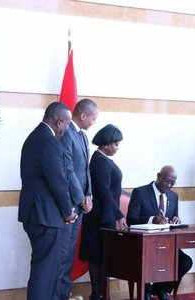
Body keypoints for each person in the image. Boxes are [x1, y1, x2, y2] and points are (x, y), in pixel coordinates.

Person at [18, 102, 77, 300]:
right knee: (46, 273)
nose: (68, 129)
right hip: (47, 216)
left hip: (34, 213)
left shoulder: (33, 137)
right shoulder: (50, 142)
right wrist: (68, 211)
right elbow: (58, 181)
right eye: (68, 124)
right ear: (59, 122)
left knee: (42, 270)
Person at [127, 166, 193, 300]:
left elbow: (173, 221)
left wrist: (176, 220)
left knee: (186, 262)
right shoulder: (140, 192)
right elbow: (131, 220)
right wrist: (152, 219)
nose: (169, 185)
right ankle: (146, 290)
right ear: (158, 176)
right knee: (149, 261)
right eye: (166, 181)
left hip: (167, 244)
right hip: (145, 245)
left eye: (172, 183)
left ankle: (162, 289)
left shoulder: (173, 196)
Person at [80, 124, 127, 300]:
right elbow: (103, 191)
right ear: (106, 143)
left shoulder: (103, 159)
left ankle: (100, 293)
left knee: (102, 257)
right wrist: (119, 214)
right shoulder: (99, 160)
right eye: (116, 144)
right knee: (96, 256)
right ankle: (97, 294)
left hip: (104, 217)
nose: (117, 148)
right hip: (98, 218)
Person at [57, 99, 98, 299]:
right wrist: (80, 198)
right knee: (62, 254)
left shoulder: (82, 136)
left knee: (69, 254)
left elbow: (85, 169)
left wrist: (89, 194)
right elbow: (69, 170)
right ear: (83, 116)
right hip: (68, 204)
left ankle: (64, 294)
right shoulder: (66, 133)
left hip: (80, 204)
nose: (94, 122)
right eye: (93, 118)